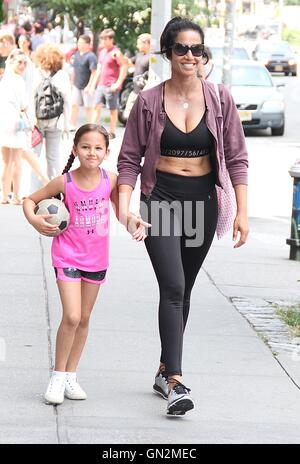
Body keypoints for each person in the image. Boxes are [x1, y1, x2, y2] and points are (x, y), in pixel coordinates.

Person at [117, 17, 249, 416]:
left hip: (203, 203)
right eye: (181, 49)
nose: (190, 56)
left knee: (184, 291)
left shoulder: (220, 99)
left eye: (197, 49)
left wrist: (243, 211)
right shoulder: (149, 101)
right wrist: (126, 207)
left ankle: (162, 369)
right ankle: (175, 381)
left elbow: (238, 159)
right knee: (173, 287)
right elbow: (128, 160)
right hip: (161, 201)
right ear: (167, 53)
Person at [23, 123, 146, 405]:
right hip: (66, 255)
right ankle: (56, 376)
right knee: (72, 316)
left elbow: (122, 214)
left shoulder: (111, 180)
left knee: (85, 318)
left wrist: (134, 223)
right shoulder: (64, 182)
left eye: (98, 148)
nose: (92, 152)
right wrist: (35, 220)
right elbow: (30, 200)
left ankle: (70, 376)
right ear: (75, 148)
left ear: (106, 152)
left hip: (96, 258)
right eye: (86, 147)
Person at [0, 49, 48, 204]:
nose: (22, 66)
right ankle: (15, 195)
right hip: (16, 124)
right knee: (16, 161)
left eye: (24, 63)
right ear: (12, 62)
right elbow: (23, 104)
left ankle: (5, 195)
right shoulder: (18, 80)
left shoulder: (5, 79)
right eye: (19, 62)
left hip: (5, 123)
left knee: (7, 162)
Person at [30, 43, 71, 192]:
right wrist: (67, 124)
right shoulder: (62, 75)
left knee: (34, 157)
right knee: (53, 157)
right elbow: (67, 100)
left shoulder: (35, 73)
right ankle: (54, 191)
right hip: (56, 122)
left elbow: (30, 99)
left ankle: (33, 191)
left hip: (37, 123)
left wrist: (31, 120)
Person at [90, 29, 129, 139]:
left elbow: (124, 66)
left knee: (112, 109)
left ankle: (112, 132)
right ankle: (92, 130)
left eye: (105, 39)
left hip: (111, 86)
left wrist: (118, 83)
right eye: (101, 39)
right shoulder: (102, 52)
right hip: (101, 85)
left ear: (111, 39)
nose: (102, 41)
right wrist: (93, 84)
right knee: (96, 107)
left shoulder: (116, 52)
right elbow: (98, 69)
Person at [70, 34, 97, 127]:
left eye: (81, 43)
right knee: (73, 105)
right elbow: (74, 70)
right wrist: (71, 83)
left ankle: (90, 126)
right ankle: (72, 125)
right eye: (78, 42)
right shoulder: (76, 55)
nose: (79, 44)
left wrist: (90, 86)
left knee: (89, 107)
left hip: (86, 86)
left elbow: (94, 72)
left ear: (88, 44)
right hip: (76, 85)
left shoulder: (91, 56)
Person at [124, 33, 151, 120]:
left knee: (141, 119)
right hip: (135, 91)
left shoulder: (153, 58)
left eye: (139, 43)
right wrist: (119, 56)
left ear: (146, 43)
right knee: (128, 116)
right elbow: (128, 62)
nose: (137, 46)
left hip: (145, 94)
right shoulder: (139, 55)